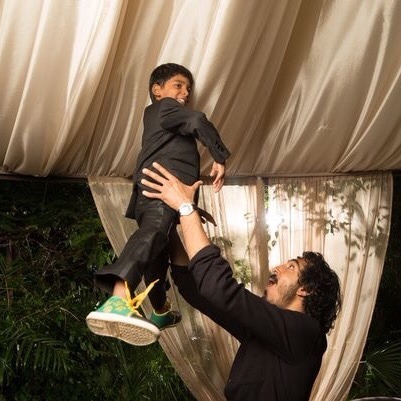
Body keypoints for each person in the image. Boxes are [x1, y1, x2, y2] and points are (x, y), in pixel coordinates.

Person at [140, 162, 342, 401]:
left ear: (306, 289)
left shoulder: (306, 333)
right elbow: (196, 289)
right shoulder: (266, 331)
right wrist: (172, 225)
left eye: (291, 267)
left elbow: (217, 287)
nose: (277, 267)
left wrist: (186, 208)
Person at [86, 63, 231, 346]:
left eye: (188, 89)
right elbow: (199, 120)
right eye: (178, 85)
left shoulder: (169, 124)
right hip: (157, 194)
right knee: (153, 235)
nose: (185, 93)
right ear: (157, 89)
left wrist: (192, 209)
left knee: (158, 254)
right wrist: (220, 157)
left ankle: (161, 310)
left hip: (164, 199)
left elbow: (173, 155)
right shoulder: (163, 109)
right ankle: (118, 296)